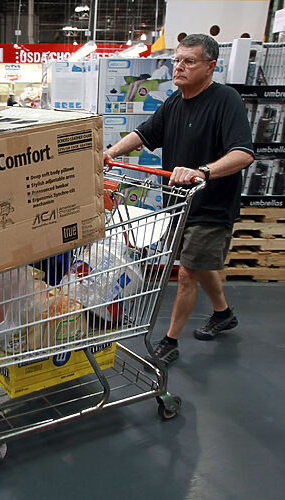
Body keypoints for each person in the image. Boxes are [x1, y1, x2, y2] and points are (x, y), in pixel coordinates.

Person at [103, 34, 254, 366]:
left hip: (212, 205)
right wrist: (110, 153)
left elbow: (243, 154)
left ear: (210, 66)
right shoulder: (174, 102)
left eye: (189, 61)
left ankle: (170, 341)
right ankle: (223, 313)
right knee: (197, 263)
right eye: (177, 60)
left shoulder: (225, 100)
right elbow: (144, 133)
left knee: (186, 272)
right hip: (179, 204)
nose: (179, 67)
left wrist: (203, 171)